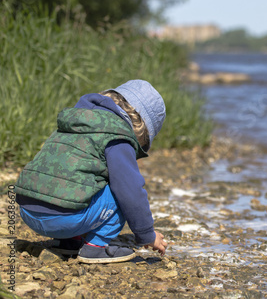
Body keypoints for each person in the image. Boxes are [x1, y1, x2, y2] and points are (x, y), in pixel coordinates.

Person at [14, 80, 168, 263]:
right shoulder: (118, 136)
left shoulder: (74, 122)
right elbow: (130, 191)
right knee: (121, 191)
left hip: (27, 209)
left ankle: (69, 241)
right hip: (62, 218)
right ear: (141, 128)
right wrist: (146, 234)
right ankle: (95, 248)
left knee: (76, 178)